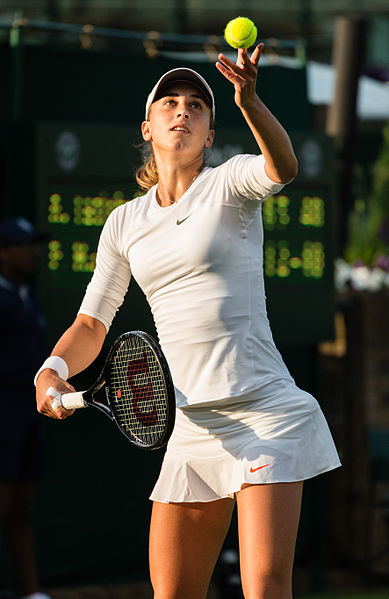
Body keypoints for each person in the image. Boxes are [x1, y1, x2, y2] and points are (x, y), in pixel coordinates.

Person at [35, 45, 340, 599]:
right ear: (147, 127)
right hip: (189, 426)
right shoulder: (124, 222)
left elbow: (284, 167)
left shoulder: (230, 184)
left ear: (208, 130)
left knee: (265, 586)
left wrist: (248, 100)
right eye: (170, 103)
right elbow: (92, 324)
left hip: (264, 413)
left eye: (198, 105)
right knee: (172, 593)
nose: (183, 111)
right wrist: (52, 370)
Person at [0, 217, 51, 599]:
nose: (31, 251)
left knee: (22, 511)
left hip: (27, 419)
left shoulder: (27, 294)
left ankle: (30, 591)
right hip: (3, 419)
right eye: (22, 244)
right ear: (3, 252)